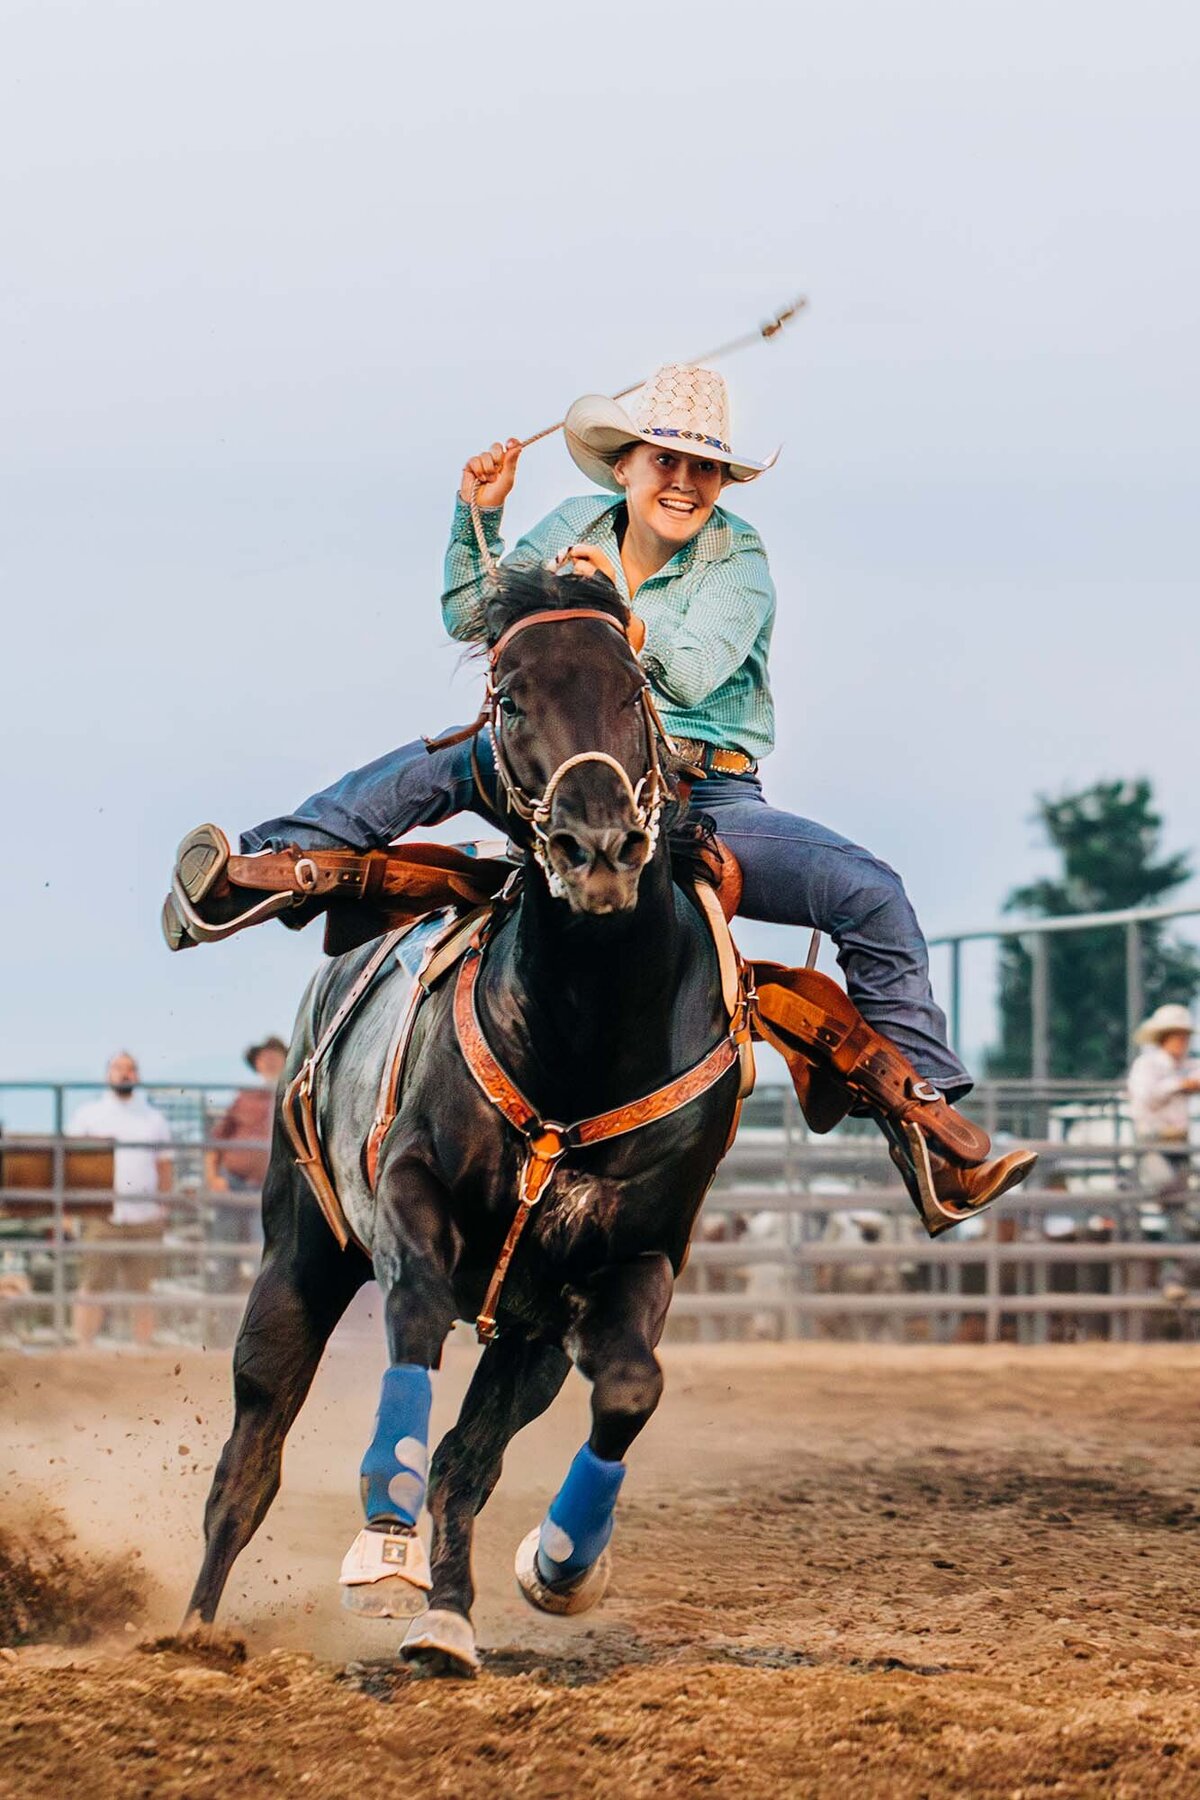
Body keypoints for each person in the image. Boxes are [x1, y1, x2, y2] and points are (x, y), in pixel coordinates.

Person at [161, 365, 1034, 1218]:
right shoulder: (575, 521)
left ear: (722, 481)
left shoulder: (742, 561)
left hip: (698, 794)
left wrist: (609, 602)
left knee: (866, 890)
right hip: (557, 766)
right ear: (627, 466)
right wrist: (481, 516)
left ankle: (924, 1116)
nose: (685, 482)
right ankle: (264, 867)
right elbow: (474, 616)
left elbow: (690, 672)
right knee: (435, 764)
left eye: (704, 468)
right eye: (667, 460)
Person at [70, 1051, 172, 1347]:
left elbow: (164, 1165)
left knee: (143, 1290)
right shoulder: (88, 1116)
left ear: (137, 1076)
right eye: (118, 1068)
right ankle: (83, 1347)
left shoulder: (154, 1119)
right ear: (108, 1074)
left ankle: (142, 1349)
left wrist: (162, 1207)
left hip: (146, 1217)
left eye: (130, 1069)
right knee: (92, 1285)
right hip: (103, 1217)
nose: (124, 1074)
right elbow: (73, 1162)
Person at [203, 1035, 286, 1291]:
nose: (269, 1061)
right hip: (232, 1183)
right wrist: (213, 1177)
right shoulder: (245, 1097)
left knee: (261, 1255)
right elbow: (217, 1140)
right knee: (225, 1254)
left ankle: (254, 1311)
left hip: (267, 1189)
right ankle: (223, 1315)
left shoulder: (290, 1096)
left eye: (274, 1055)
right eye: (264, 1057)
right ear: (257, 1064)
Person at [1127, 1004, 1200, 1200]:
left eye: (1184, 1036)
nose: (1182, 1041)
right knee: (1166, 1185)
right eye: (1177, 1036)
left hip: (1179, 1141)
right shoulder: (1146, 1065)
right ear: (1163, 1037)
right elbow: (1148, 1097)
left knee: (1182, 1194)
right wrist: (1179, 1085)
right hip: (1152, 1140)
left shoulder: (1188, 1065)